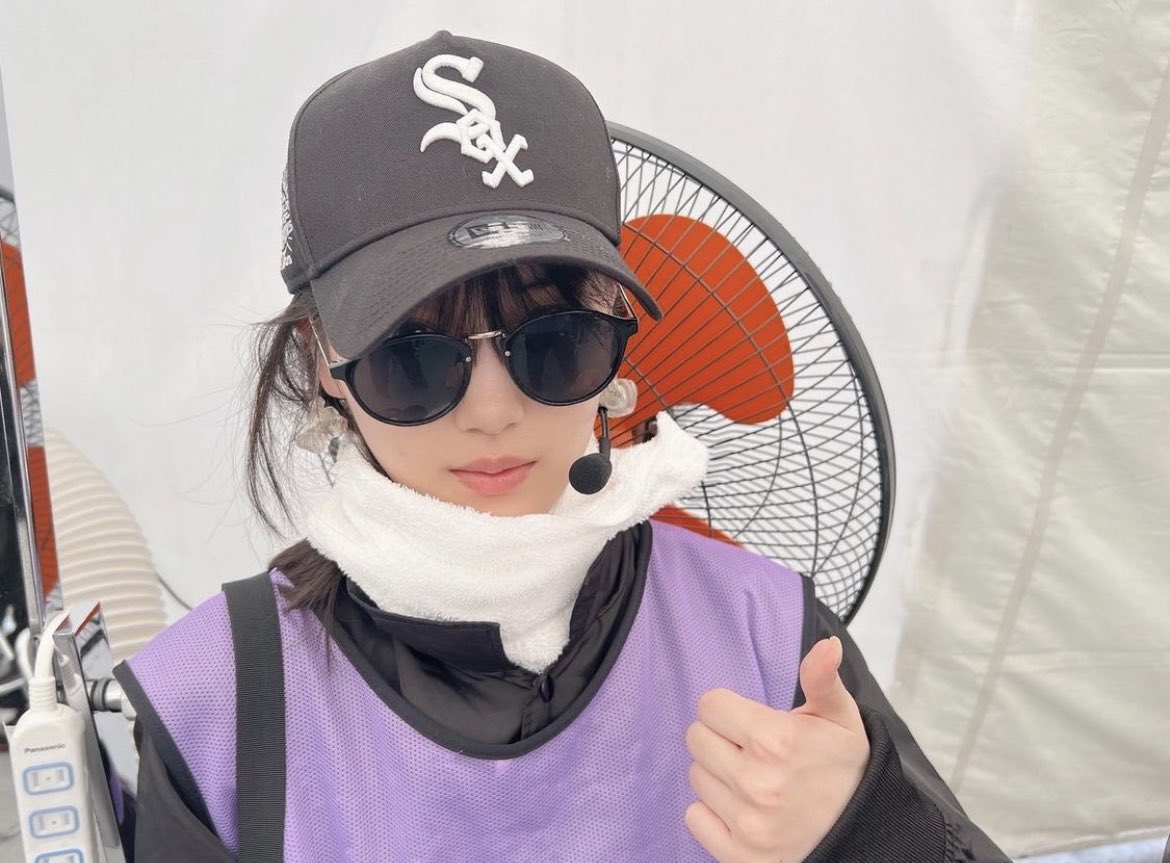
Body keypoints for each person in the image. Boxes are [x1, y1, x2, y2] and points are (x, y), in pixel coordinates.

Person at [112, 30, 1011, 863]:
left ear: (618, 332)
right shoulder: (215, 704)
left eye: (554, 343)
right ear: (325, 365)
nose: (494, 411)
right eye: (412, 358)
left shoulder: (767, 632)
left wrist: (869, 826)